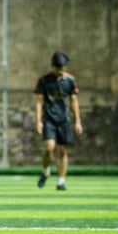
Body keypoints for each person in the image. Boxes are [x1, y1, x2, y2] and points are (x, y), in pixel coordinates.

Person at [35, 51, 83, 190]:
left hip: (64, 120)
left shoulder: (70, 80)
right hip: (49, 119)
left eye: (63, 68)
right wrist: (38, 121)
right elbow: (39, 102)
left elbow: (74, 101)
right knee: (49, 147)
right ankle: (46, 171)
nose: (61, 71)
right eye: (58, 68)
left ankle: (61, 182)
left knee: (62, 151)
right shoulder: (43, 81)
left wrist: (77, 121)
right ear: (53, 67)